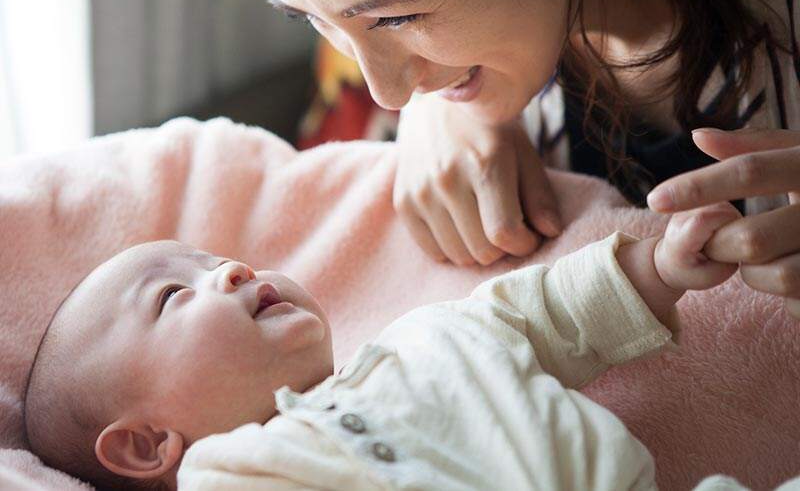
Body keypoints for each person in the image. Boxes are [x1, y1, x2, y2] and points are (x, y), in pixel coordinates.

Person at [197, 0, 800, 319]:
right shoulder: (479, 66)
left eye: (397, 16)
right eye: (312, 19)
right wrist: (442, 108)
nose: (386, 93)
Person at [26, 201, 787, 490]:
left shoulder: (424, 338)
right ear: (147, 441)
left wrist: (659, 266)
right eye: (172, 295)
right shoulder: (236, 474)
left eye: (210, 257)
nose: (231, 267)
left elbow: (547, 310)